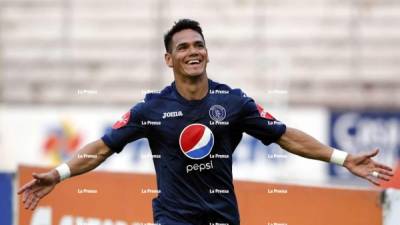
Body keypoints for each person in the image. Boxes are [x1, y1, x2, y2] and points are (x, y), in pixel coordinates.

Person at [18, 19, 394, 225]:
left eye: (198, 44)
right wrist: (60, 173)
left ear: (207, 53)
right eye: (183, 47)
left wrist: (343, 159)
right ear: (169, 59)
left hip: (222, 217)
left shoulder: (232, 102)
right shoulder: (151, 109)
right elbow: (101, 148)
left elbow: (285, 137)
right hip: (173, 219)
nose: (193, 51)